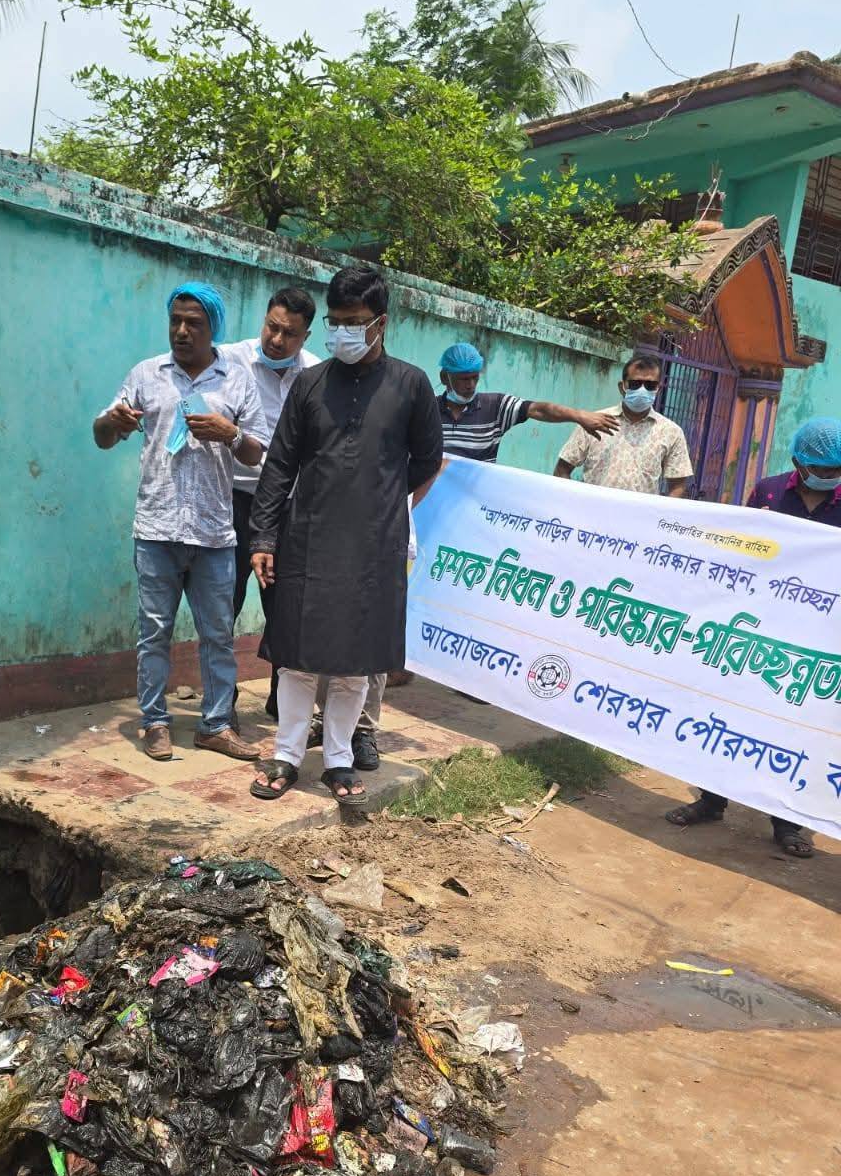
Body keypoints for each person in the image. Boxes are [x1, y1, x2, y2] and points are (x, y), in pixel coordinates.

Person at [247, 265, 445, 803]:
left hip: (376, 546)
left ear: (381, 323)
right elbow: (279, 465)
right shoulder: (310, 384)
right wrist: (264, 538)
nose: (343, 333)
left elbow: (428, 460)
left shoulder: (411, 385)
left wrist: (378, 500)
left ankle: (338, 760)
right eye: (335, 322)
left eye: (354, 322)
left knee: (356, 661)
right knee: (298, 657)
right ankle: (287, 755)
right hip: (307, 539)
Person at [94, 281, 265, 763]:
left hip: (213, 531)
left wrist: (231, 434)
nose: (183, 331)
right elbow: (102, 435)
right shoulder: (147, 375)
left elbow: (256, 454)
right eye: (176, 321)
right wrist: (115, 422)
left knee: (218, 634)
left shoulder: (237, 380)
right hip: (157, 528)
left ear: (215, 330)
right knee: (154, 633)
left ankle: (215, 725)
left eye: (194, 323)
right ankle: (154, 721)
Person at [664, 416, 841, 860]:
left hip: (816, 636)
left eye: (836, 469)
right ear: (798, 462)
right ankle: (711, 799)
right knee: (729, 711)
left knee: (793, 726)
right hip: (758, 623)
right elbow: (743, 549)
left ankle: (787, 822)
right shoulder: (767, 491)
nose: (828, 476)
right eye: (820, 467)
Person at [220, 287, 320, 722]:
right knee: (224, 599)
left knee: (286, 606)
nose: (277, 340)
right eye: (272, 327)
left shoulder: (317, 373)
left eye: (290, 334)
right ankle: (220, 701)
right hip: (232, 500)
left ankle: (284, 702)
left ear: (305, 335)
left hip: (287, 507)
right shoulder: (229, 359)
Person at [438, 341, 620, 462]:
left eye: (474, 378)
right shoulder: (427, 409)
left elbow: (539, 410)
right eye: (463, 379)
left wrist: (578, 416)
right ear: (445, 378)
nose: (470, 385)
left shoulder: (495, 407)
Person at [554, 353, 692, 496]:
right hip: (591, 514)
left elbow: (678, 485)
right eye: (635, 384)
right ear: (622, 387)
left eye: (650, 385)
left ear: (658, 389)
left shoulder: (671, 432)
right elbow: (562, 469)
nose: (642, 390)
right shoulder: (593, 422)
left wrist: (658, 516)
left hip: (639, 517)